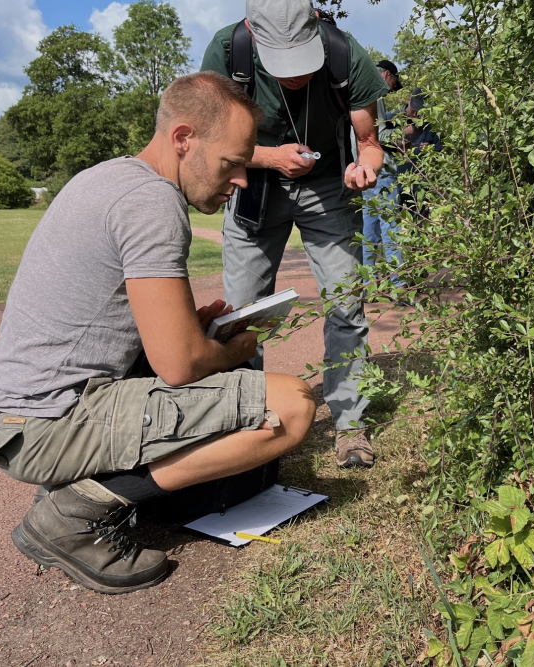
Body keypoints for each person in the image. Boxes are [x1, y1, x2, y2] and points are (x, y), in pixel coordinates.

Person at [0, 71, 317, 594]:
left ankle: (86, 490)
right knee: (293, 405)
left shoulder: (107, 177)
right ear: (184, 139)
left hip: (17, 413)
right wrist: (235, 350)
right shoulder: (153, 204)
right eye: (233, 163)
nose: (243, 180)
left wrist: (197, 328)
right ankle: (73, 513)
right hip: (46, 426)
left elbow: (132, 327)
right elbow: (179, 365)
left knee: (245, 434)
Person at [200, 0, 390, 469]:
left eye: (302, 61)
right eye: (282, 66)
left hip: (328, 186)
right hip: (254, 185)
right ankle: (244, 425)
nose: (295, 76)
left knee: (346, 302)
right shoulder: (228, 52)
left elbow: (369, 145)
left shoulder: (346, 54)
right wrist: (269, 157)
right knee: (243, 312)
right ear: (252, 33)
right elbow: (212, 141)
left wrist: (362, 171)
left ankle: (350, 425)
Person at [361, 60, 406, 290]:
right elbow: (379, 135)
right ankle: (398, 284)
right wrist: (405, 131)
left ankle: (368, 285)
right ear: (387, 75)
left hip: (363, 171)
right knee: (391, 226)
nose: (390, 91)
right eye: (393, 85)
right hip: (382, 169)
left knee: (370, 230)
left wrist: (398, 115)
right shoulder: (375, 92)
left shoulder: (359, 88)